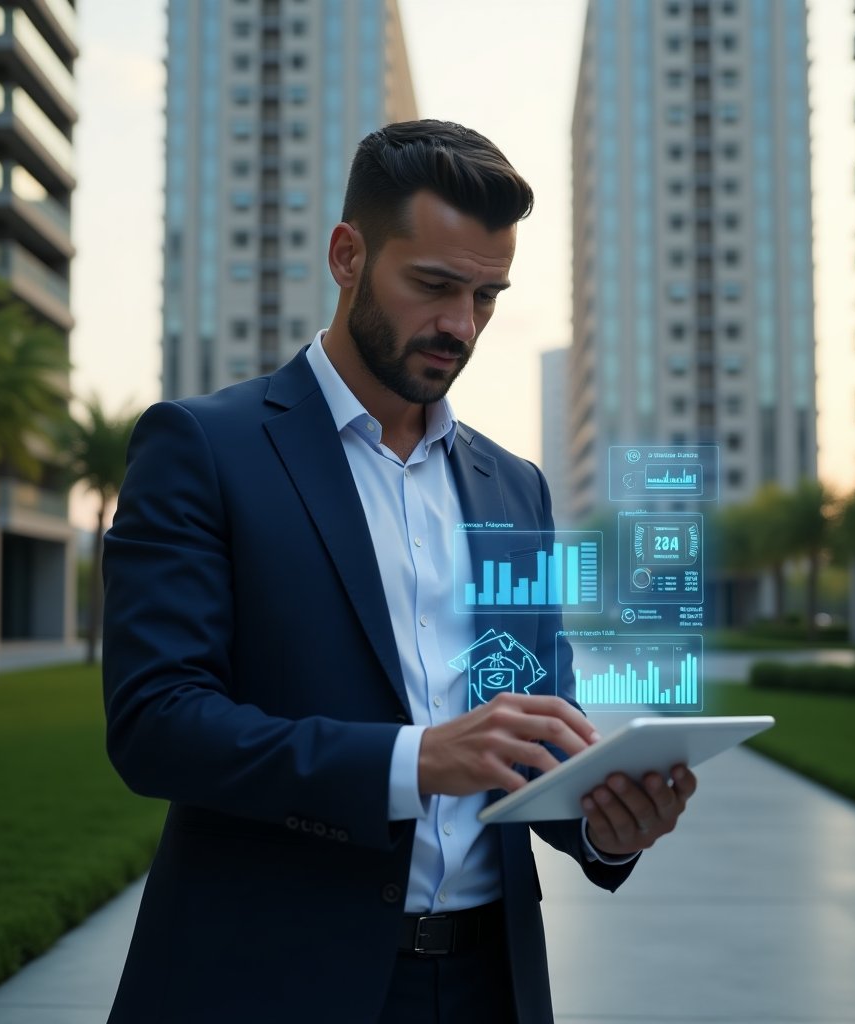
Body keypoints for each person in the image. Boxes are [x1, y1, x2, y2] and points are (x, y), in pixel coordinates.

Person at [102, 119, 696, 1024]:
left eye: (488, 295)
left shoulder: (518, 488)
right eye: (434, 285)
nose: (461, 325)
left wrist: (604, 825)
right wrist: (414, 760)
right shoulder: (203, 448)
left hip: (487, 985)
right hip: (269, 980)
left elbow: (539, 731)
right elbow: (156, 723)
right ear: (348, 255)